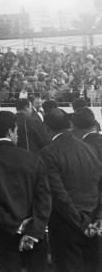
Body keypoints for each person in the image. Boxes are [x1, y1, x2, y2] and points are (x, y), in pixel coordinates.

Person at [0, 111, 50, 272]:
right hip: (34, 231)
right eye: (17, 132)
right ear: (10, 131)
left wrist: (12, 223)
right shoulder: (33, 158)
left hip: (5, 232)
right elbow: (44, 198)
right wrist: (34, 228)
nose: (18, 136)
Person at [38, 107, 102, 271]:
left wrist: (81, 223)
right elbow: (99, 185)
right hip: (92, 219)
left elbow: (58, 195)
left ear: (46, 128)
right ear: (70, 125)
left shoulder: (48, 153)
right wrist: (97, 218)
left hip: (66, 225)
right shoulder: (89, 148)